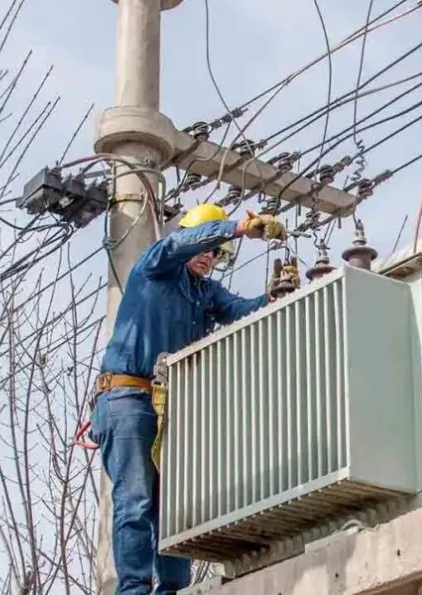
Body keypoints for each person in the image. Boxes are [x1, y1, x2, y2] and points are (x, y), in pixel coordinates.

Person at [89, 204, 287, 595]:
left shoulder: (205, 292)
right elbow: (183, 242)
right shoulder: (157, 265)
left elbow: (240, 311)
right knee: (136, 500)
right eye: (206, 246)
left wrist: (276, 295)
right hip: (126, 397)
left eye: (215, 253)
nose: (208, 256)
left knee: (173, 508)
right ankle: (133, 590)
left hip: (167, 406)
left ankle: (173, 590)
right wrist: (238, 227)